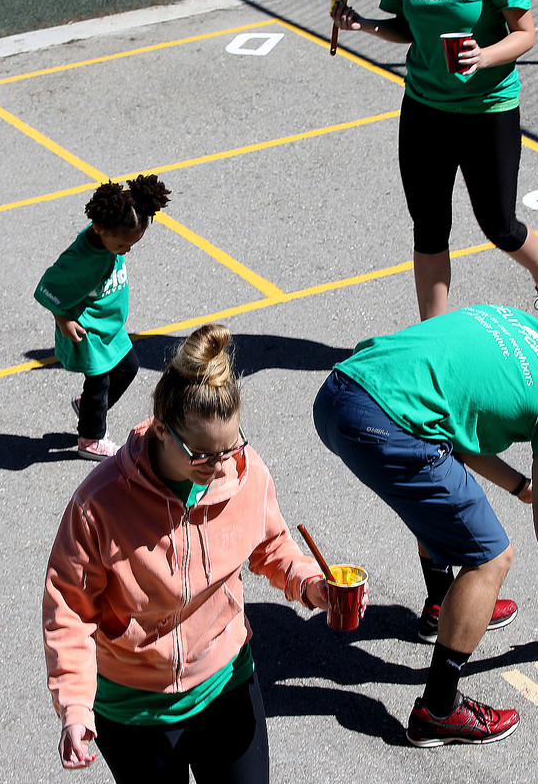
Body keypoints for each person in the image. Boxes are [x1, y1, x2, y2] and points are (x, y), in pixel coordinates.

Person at [312, 304, 538, 746]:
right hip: (385, 426)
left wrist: (521, 485)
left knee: (442, 498)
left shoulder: (514, 321)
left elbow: (456, 431)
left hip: (340, 391)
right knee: (491, 557)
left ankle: (443, 608)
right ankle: (438, 710)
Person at [44, 324, 334, 782]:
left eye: (229, 447)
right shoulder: (99, 504)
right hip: (134, 708)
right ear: (161, 429)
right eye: (202, 454)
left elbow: (270, 543)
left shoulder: (242, 471)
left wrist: (309, 583)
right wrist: (75, 707)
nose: (219, 466)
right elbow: (69, 612)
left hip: (226, 682)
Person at [330, 0, 538, 329]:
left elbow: (526, 33)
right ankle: (432, 337)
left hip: (487, 110)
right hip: (424, 110)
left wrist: (485, 55)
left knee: (499, 225)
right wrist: (362, 24)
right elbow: (406, 27)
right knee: (429, 227)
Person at [34, 175, 169, 460]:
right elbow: (48, 286)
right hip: (89, 328)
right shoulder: (82, 260)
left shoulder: (110, 230)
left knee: (128, 368)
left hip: (109, 325)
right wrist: (63, 320)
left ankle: (89, 409)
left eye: (132, 245)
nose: (126, 251)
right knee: (99, 381)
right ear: (98, 229)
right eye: (122, 246)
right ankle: (90, 439)